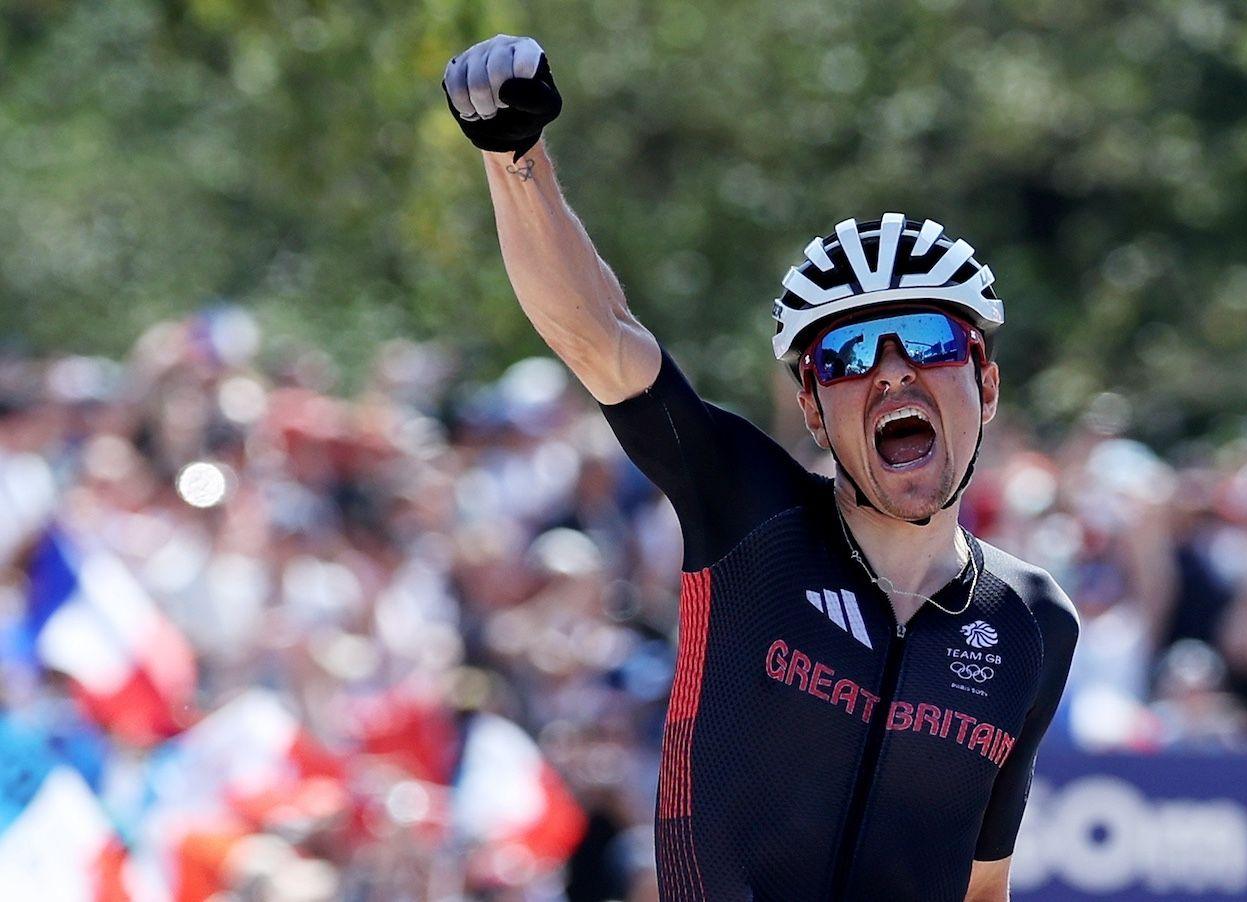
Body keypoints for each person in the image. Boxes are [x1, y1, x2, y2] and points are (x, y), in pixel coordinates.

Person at [442, 34, 1079, 902]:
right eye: (851, 353)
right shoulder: (750, 510)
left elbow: (983, 887)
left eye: (931, 342)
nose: (894, 372)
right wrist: (516, 158)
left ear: (988, 384)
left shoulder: (1035, 622)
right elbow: (600, 335)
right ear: (812, 411)